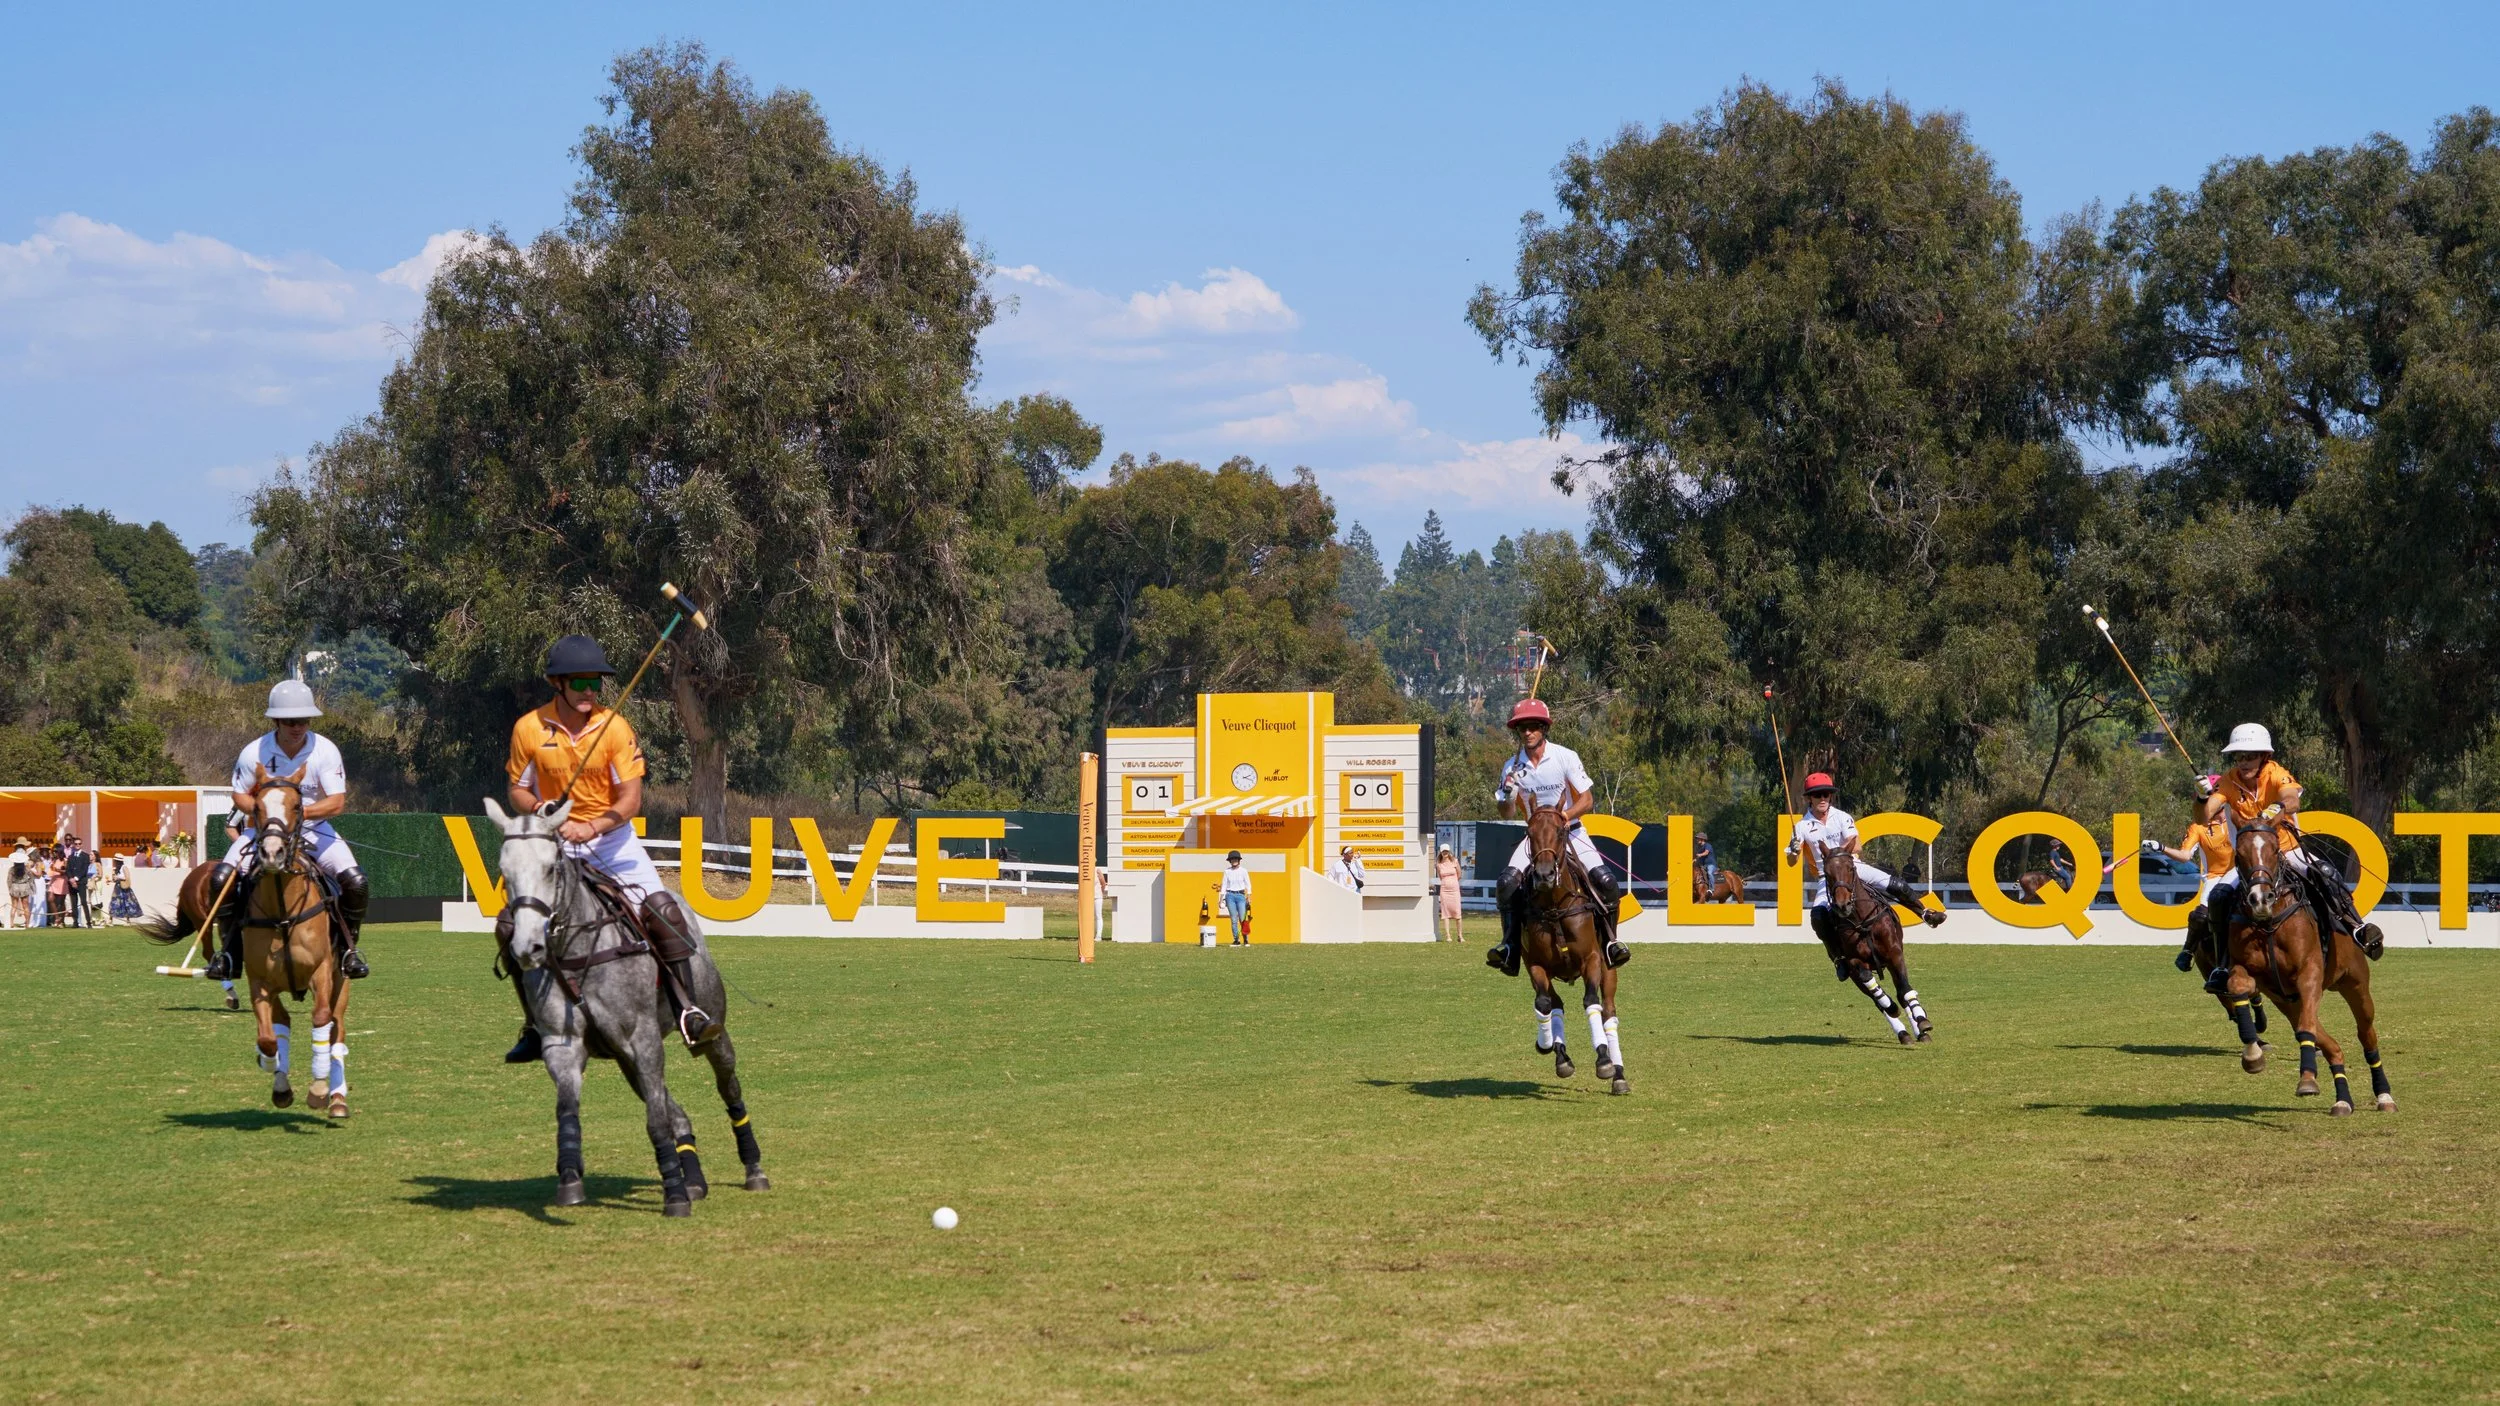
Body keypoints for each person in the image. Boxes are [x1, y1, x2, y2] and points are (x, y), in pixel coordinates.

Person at [500, 634, 718, 1063]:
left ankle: (686, 1007)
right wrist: (542, 807)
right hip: (556, 846)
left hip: (613, 844)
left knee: (663, 911)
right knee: (511, 925)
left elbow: (631, 800)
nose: (590, 692)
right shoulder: (528, 729)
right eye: (581, 682)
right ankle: (533, 1023)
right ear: (556, 683)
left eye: (597, 684)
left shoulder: (614, 727)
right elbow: (517, 791)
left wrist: (594, 826)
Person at [201, 680, 371, 982]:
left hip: (315, 830)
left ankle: (348, 949)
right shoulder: (255, 751)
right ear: (276, 720)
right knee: (221, 879)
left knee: (356, 883)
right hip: (264, 832)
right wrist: (267, 815)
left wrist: (295, 814)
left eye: (305, 720)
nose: (299, 726)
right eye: (292, 721)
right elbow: (238, 794)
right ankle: (229, 953)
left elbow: (336, 802)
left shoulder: (325, 750)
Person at [2198, 723, 2382, 990]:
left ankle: (2357, 928)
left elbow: (2292, 799)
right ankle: (2223, 964)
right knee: (2218, 897)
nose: (2244, 762)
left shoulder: (2276, 773)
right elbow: (2203, 816)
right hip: (2252, 859)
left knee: (2327, 875)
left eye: (2250, 756)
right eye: (2239, 756)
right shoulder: (2229, 781)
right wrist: (2203, 796)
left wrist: (2277, 808)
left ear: (2264, 756)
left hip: (2287, 849)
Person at [1484, 698, 1628, 976]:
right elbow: (1506, 810)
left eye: (1533, 726)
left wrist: (1566, 816)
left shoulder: (1565, 756)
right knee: (1506, 883)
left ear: (1543, 729)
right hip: (1536, 839)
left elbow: (1587, 800)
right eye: (1522, 728)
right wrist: (1508, 792)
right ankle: (1510, 947)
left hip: (1570, 831)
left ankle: (1610, 942)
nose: (1527, 732)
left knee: (1606, 881)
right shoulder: (1511, 768)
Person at [1789, 771, 1946, 980]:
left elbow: (1858, 845)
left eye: (1826, 794)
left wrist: (1839, 854)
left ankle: (1925, 913)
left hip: (1854, 867)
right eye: (1817, 795)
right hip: (1827, 879)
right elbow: (1791, 862)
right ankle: (1838, 959)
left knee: (1897, 885)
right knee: (1818, 917)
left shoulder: (1843, 817)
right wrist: (1793, 850)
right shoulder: (1801, 827)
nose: (1823, 799)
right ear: (1809, 798)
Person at [2149, 777, 2233, 975]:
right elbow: (2185, 856)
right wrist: (2161, 848)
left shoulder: (2236, 817)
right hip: (2215, 877)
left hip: (2242, 872)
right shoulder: (2198, 827)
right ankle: (2187, 950)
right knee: (2200, 915)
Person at [1219, 850, 1251, 945]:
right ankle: (1236, 939)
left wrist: (1249, 896)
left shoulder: (1244, 871)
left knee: (1243, 918)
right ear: (1230, 861)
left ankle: (1245, 939)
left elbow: (1248, 884)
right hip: (1230, 896)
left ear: (1239, 860)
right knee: (1233, 919)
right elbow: (1224, 885)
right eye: (1232, 859)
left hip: (1241, 895)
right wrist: (1221, 899)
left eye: (1235, 859)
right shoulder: (1227, 871)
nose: (1234, 861)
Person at [1435, 845, 1464, 942]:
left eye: (1446, 851)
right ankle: (1448, 935)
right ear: (1441, 852)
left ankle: (1460, 935)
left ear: (1449, 851)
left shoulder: (1454, 861)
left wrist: (1453, 882)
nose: (1445, 853)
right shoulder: (1439, 864)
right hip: (1444, 890)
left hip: (1454, 890)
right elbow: (1440, 876)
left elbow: (1459, 874)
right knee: (1445, 913)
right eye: (1443, 851)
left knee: (1457, 912)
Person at [63, 838, 92, 928]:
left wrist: (76, 878)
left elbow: (84, 869)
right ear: (73, 845)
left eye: (79, 844)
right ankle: (75, 922)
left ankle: (88, 922)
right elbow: (68, 870)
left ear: (81, 844)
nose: (77, 845)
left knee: (83, 902)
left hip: (81, 882)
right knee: (74, 903)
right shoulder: (71, 857)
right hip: (72, 883)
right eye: (76, 844)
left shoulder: (85, 856)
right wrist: (71, 879)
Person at [108, 855, 142, 923]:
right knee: (114, 902)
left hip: (124, 888)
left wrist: (118, 878)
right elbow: (115, 879)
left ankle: (128, 920)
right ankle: (110, 919)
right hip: (117, 887)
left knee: (126, 903)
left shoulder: (124, 867)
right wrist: (111, 880)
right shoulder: (115, 869)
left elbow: (127, 877)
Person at [1694, 829, 1720, 896]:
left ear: (1702, 839)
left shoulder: (1708, 845)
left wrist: (1700, 855)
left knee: (1709, 873)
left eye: (1698, 839)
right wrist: (1694, 860)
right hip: (1704, 865)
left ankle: (1711, 889)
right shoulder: (1700, 848)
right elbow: (1698, 858)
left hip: (1711, 864)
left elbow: (1706, 853)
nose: (1697, 840)